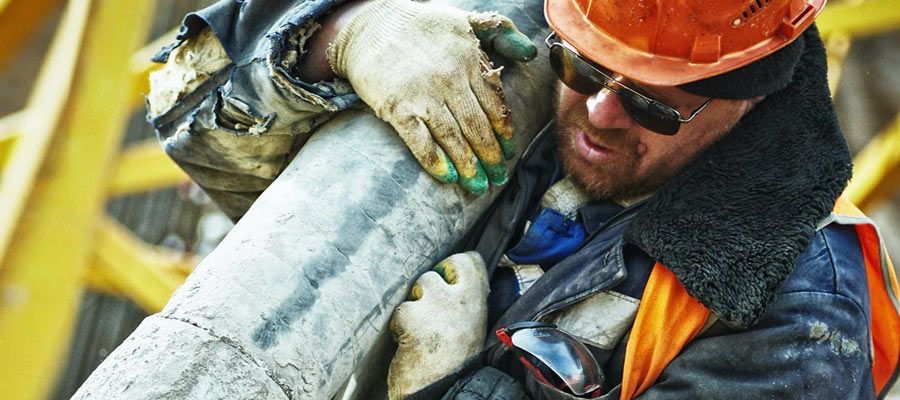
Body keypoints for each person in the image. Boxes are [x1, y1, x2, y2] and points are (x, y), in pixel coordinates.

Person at [147, 0, 900, 398]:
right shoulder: (528, 31)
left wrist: (446, 386)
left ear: (749, 100)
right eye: (584, 69)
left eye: (652, 105)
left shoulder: (801, 311)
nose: (600, 113)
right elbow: (187, 107)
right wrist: (339, 35)